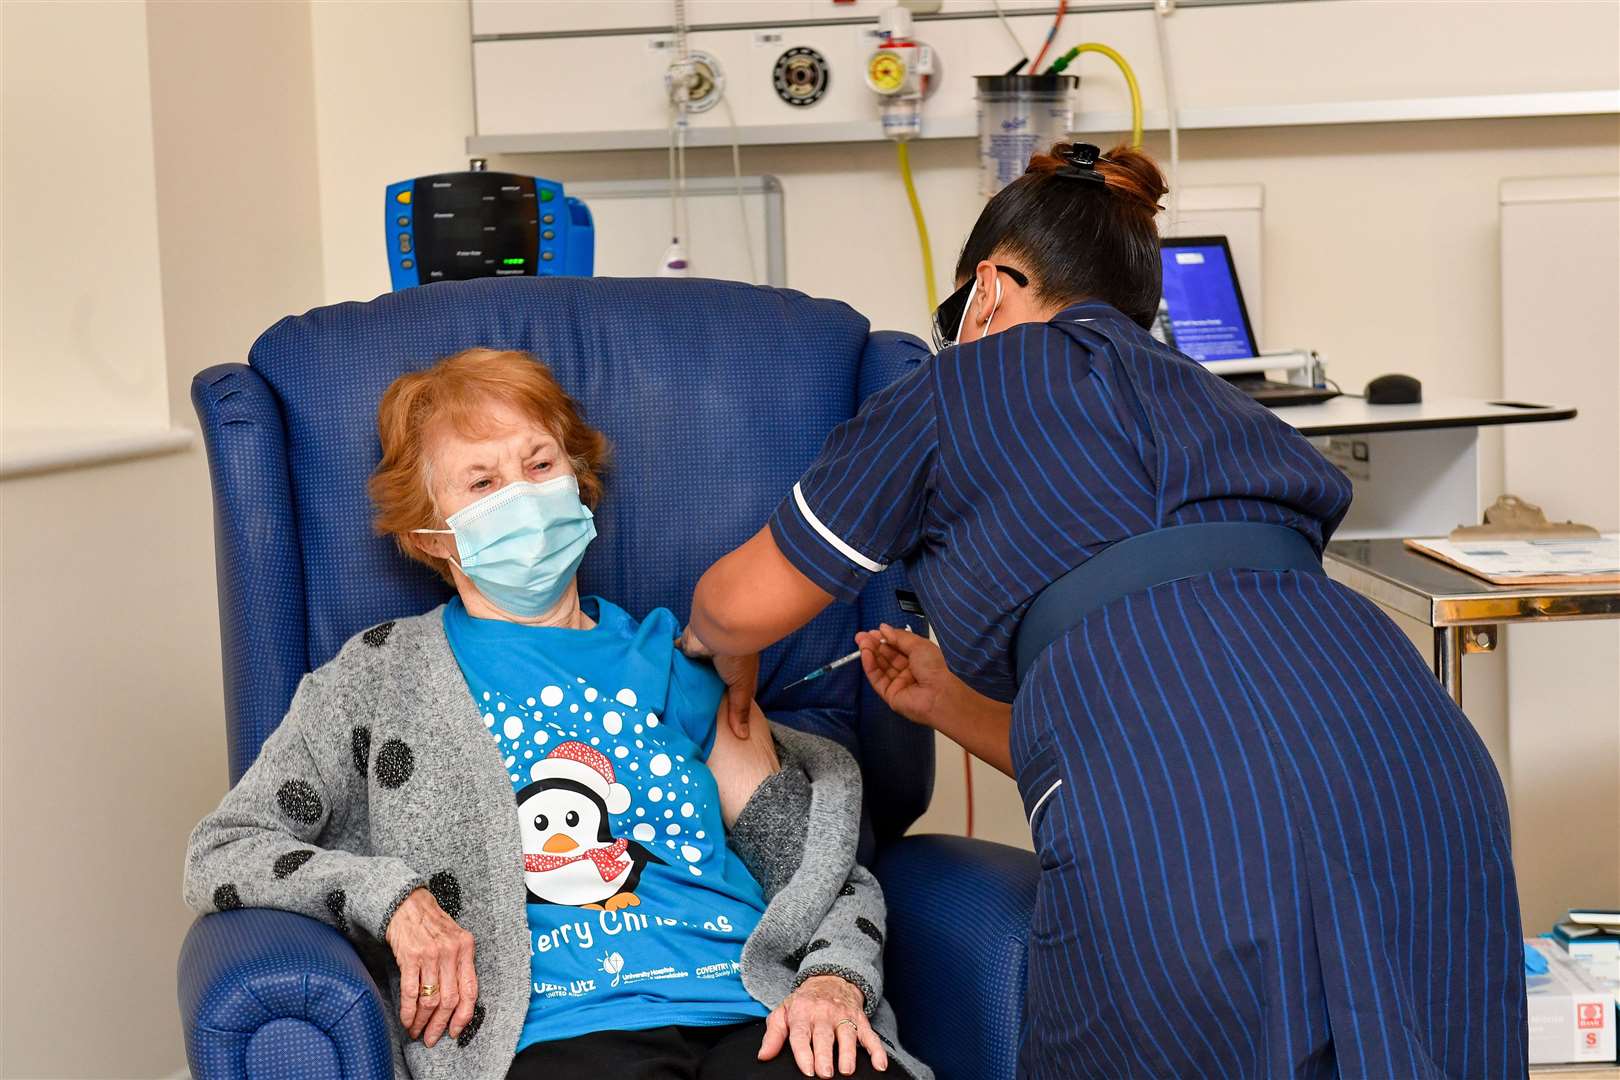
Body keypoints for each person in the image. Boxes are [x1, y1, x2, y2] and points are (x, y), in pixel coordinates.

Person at [682, 144, 1525, 1078]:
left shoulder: (955, 389)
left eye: (955, 311)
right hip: (1418, 769)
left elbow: (739, 603)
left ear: (991, 289)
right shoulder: (1219, 401)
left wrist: (712, 648)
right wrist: (948, 704)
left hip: (1186, 817)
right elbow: (1213, 701)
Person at [184, 348, 930, 1080]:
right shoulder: (378, 679)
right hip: (557, 1033)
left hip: (752, 1010)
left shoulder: (676, 661)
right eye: (482, 482)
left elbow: (818, 871)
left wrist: (833, 981)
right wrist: (393, 901)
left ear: (579, 480)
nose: (524, 496)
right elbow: (225, 850)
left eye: (541, 466)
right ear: (427, 534)